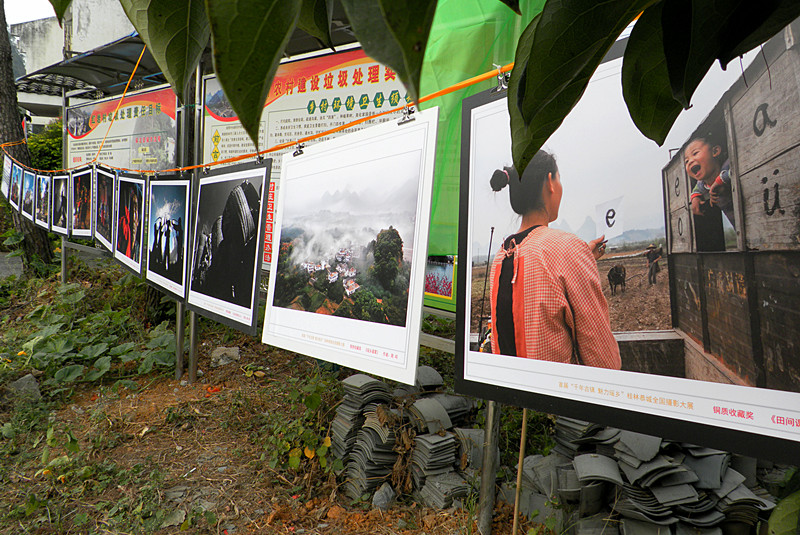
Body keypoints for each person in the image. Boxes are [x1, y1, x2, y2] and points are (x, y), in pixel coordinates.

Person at [488, 150, 620, 369]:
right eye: (559, 179)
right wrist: (578, 255)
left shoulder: (501, 256)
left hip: (515, 391)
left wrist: (583, 255)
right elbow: (602, 359)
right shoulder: (567, 248)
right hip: (558, 396)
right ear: (550, 182)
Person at [685, 135, 734, 226]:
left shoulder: (728, 164)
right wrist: (695, 197)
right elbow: (697, 189)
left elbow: (738, 169)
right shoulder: (702, 184)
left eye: (695, 153)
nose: (690, 161)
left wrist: (721, 180)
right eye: (686, 161)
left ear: (715, 151)